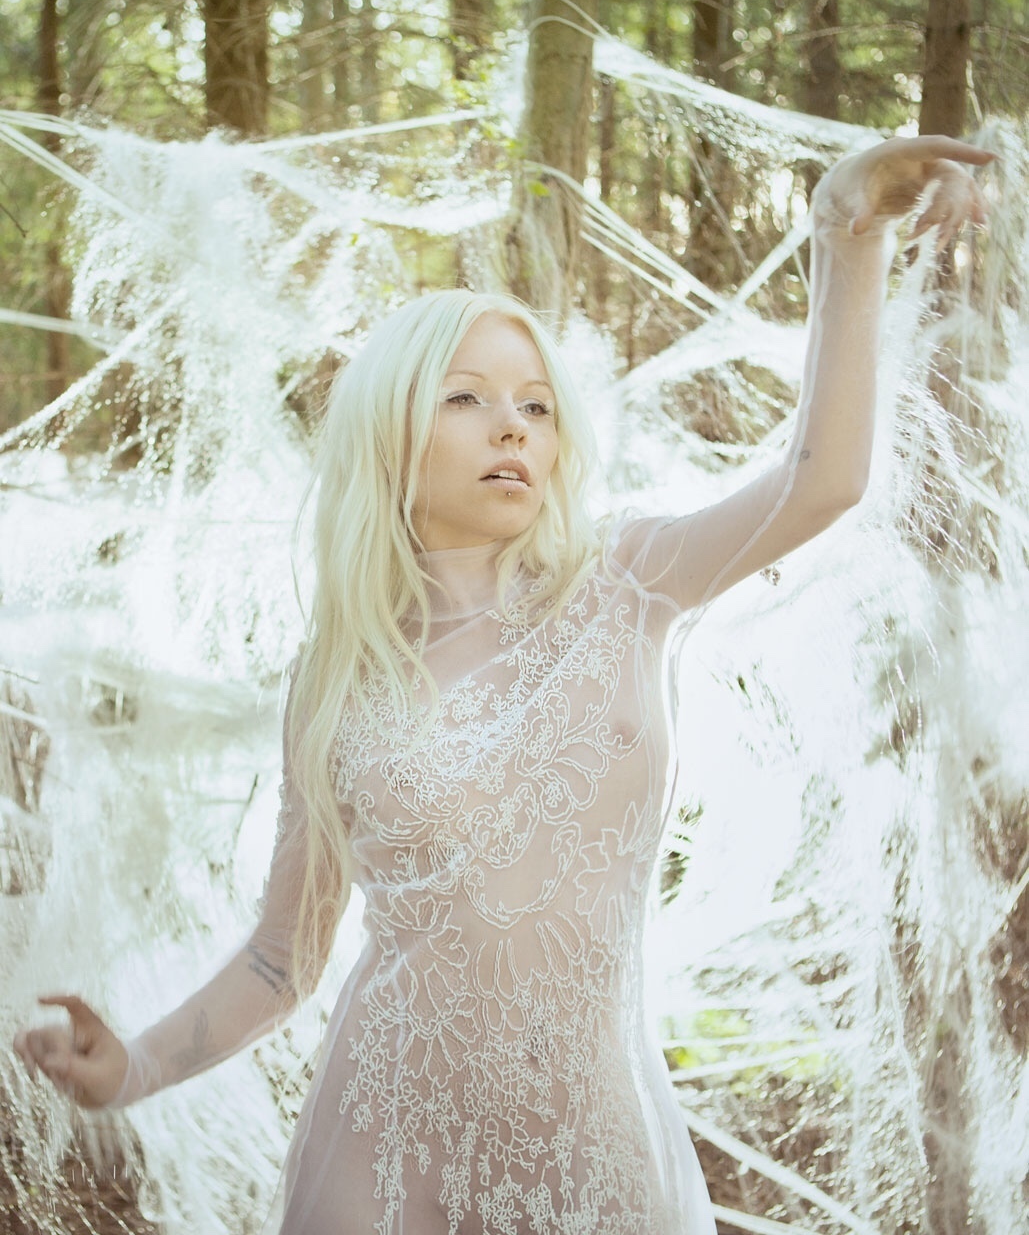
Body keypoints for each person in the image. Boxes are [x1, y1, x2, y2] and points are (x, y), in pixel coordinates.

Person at [14, 136, 991, 1235]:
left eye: (536, 405)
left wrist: (844, 235)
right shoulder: (338, 676)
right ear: (392, 434)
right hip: (386, 1155)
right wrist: (132, 1066)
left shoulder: (628, 580)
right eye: (467, 397)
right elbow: (282, 960)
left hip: (600, 1152)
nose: (512, 425)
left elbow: (823, 481)